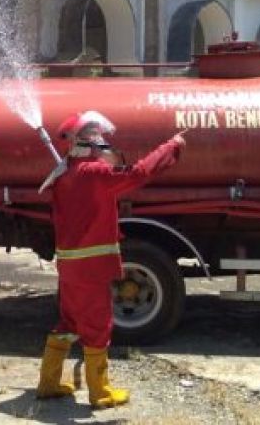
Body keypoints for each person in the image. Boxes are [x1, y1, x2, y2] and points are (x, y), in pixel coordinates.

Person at [35, 110, 186, 408]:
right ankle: (100, 393)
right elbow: (139, 174)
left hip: (70, 267)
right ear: (79, 141)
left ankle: (48, 383)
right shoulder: (93, 174)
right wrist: (171, 147)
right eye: (92, 135)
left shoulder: (65, 174)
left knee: (69, 322)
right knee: (97, 327)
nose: (99, 139)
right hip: (91, 269)